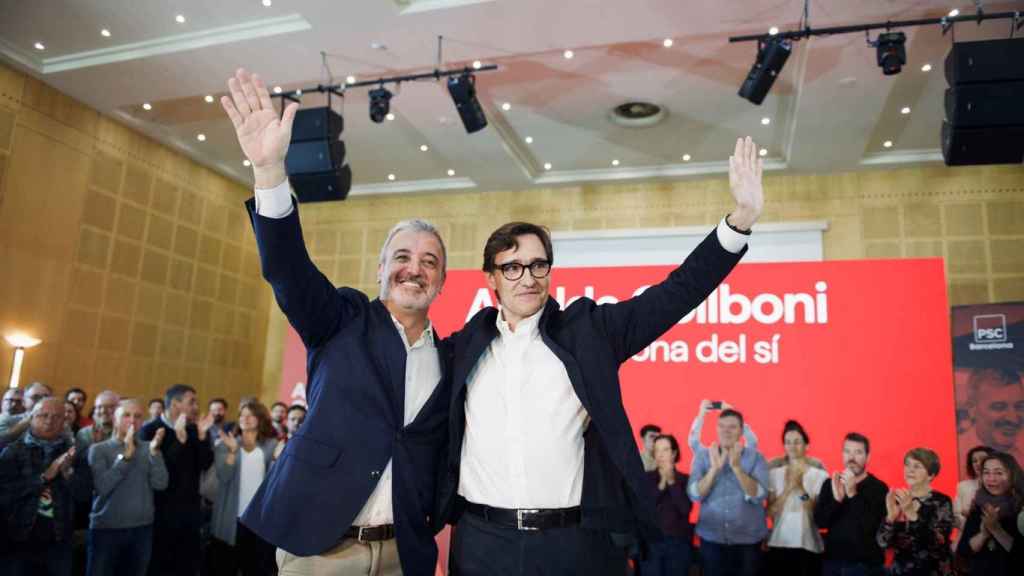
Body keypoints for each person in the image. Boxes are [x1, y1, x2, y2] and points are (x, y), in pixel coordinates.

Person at [440, 136, 762, 576]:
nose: (527, 278)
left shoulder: (589, 332)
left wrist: (740, 220)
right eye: (512, 267)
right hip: (480, 542)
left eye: (539, 265)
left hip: (572, 545)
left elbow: (676, 293)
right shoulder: (465, 347)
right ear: (491, 278)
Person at [221, 68, 451, 576]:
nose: (415, 268)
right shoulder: (341, 319)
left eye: (430, 261)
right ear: (380, 270)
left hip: (404, 554)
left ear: (442, 281)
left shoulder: (452, 358)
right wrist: (268, 172)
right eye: (403, 256)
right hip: (322, 552)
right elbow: (286, 268)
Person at [86, 399, 168, 576]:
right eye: (126, 415)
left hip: (142, 529)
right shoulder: (99, 449)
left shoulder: (149, 447)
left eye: (138, 416)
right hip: (106, 529)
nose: (132, 420)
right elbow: (102, 487)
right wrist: (125, 458)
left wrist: (154, 453)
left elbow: (160, 484)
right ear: (115, 420)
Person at [139, 383, 214, 576]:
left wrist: (203, 435)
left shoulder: (192, 429)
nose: (196, 407)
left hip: (189, 512)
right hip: (160, 512)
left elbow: (204, 464)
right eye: (192, 402)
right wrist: (179, 443)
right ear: (175, 404)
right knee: (159, 565)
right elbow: (156, 472)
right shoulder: (150, 430)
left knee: (186, 565)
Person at [688, 408, 770, 576]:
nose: (726, 431)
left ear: (741, 430)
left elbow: (759, 495)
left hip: (748, 542)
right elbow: (695, 494)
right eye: (721, 426)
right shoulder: (703, 456)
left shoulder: (756, 457)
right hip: (712, 540)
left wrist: (738, 469)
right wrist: (714, 470)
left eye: (732, 427)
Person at [0, 397, 77, 575]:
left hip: (59, 537)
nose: (50, 421)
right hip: (18, 536)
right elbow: (5, 494)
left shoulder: (73, 451)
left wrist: (68, 474)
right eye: (43, 415)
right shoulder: (12, 451)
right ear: (31, 418)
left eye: (57, 417)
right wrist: (43, 477)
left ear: (64, 422)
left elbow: (83, 493)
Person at [208, 401, 279, 576]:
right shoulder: (226, 444)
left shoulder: (272, 445)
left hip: (259, 520)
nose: (244, 418)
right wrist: (232, 451)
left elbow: (277, 480)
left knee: (256, 568)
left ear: (261, 419)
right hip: (231, 518)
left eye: (250, 415)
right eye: (242, 415)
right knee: (225, 567)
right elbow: (223, 476)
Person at [814, 432, 889, 576]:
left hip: (865, 566)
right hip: (832, 563)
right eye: (847, 451)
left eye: (858, 452)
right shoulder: (830, 484)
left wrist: (853, 494)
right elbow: (820, 522)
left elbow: (872, 528)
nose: (851, 458)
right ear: (842, 454)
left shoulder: (879, 488)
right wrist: (837, 500)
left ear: (868, 457)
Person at [876, 447, 953, 575]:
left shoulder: (941, 501)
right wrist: (890, 518)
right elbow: (882, 543)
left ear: (931, 475)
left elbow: (938, 544)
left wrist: (912, 515)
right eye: (907, 465)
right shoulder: (898, 499)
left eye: (917, 466)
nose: (910, 470)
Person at [766, 420, 828, 576]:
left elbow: (816, 512)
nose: (792, 446)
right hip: (778, 543)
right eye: (788, 442)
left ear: (807, 445)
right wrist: (787, 490)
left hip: (808, 544)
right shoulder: (774, 473)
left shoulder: (819, 475)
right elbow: (770, 512)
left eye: (797, 442)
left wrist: (800, 488)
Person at [955, 452, 1024, 575]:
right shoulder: (978, 504)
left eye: (998, 473)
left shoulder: (1021, 506)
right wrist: (983, 534)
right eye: (986, 472)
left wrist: (996, 530)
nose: (991, 479)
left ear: (1013, 475)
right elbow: (963, 551)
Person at [639, 434, 692, 576]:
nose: (660, 455)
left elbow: (685, 509)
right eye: (657, 450)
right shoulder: (646, 478)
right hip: (652, 543)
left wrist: (671, 482)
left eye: (665, 450)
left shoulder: (684, 480)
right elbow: (646, 506)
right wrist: (662, 484)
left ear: (674, 453)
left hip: (678, 543)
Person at [958, 368, 1024, 468]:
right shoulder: (958, 455)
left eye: (1019, 406)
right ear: (972, 409)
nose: (1013, 419)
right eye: (999, 407)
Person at [688, 399, 758, 456]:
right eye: (722, 426)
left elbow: (694, 442)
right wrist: (733, 414)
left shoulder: (708, 457)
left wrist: (701, 415)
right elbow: (752, 441)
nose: (726, 431)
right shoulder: (745, 456)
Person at [954, 446, 992, 536]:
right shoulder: (963, 486)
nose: (978, 464)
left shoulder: (1003, 487)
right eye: (974, 461)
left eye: (982, 459)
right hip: (968, 537)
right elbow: (956, 515)